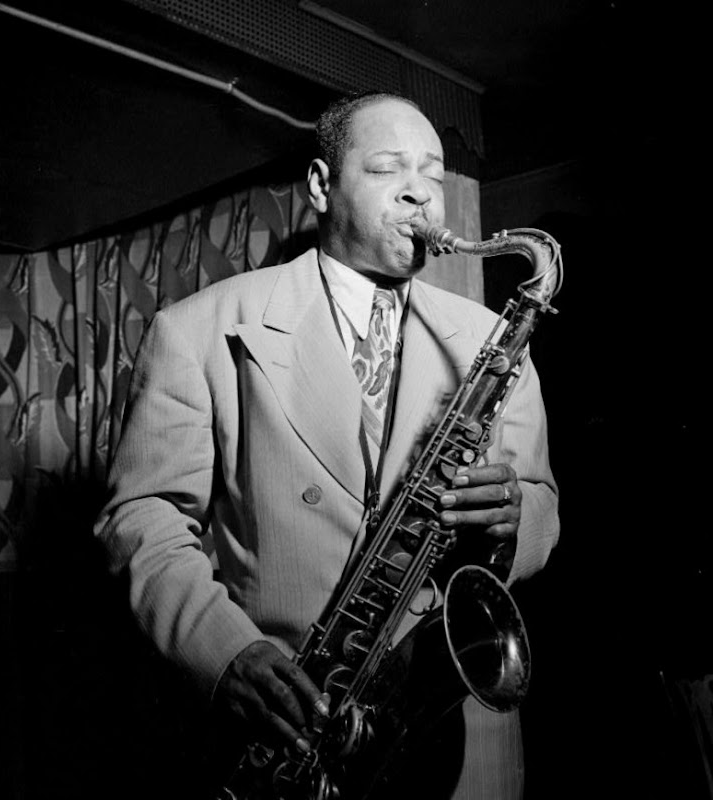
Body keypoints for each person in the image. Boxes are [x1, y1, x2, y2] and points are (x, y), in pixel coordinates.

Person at [94, 91, 559, 798]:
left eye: (433, 174)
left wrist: (515, 517)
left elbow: (542, 502)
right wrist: (225, 652)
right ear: (319, 185)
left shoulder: (493, 339)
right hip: (284, 721)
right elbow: (143, 518)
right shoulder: (196, 329)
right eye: (388, 169)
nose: (420, 193)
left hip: (433, 732)